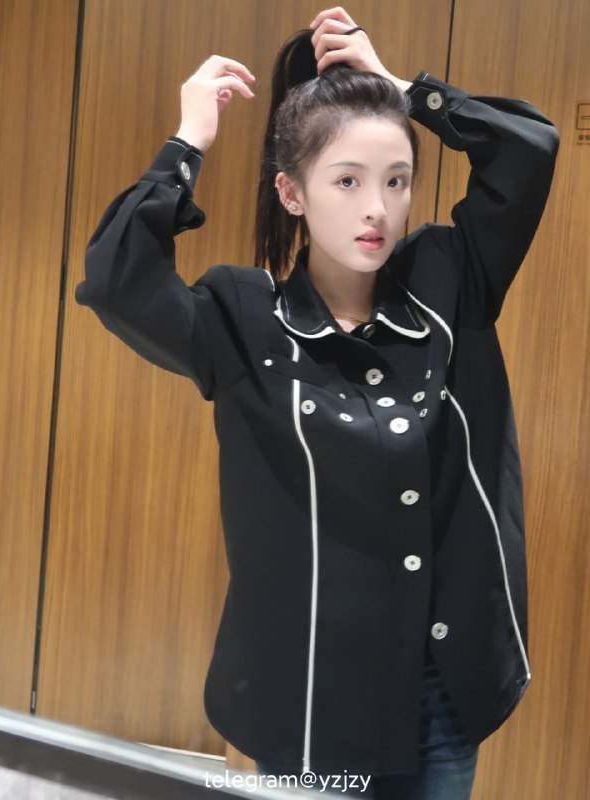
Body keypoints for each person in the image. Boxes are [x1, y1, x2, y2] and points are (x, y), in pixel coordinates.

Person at [75, 6, 559, 799]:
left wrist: (400, 89)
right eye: (347, 181)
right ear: (291, 192)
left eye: (396, 181)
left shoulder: (447, 281)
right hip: (309, 700)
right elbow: (116, 279)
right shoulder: (243, 318)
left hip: (444, 686)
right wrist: (188, 139)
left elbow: (529, 147)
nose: (377, 208)